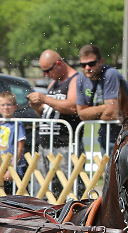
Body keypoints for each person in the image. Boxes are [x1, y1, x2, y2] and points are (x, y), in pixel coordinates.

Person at [27, 49, 81, 196]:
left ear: (58, 64)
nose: (46, 74)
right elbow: (47, 110)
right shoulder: (53, 83)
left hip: (64, 145)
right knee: (44, 192)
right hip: (46, 144)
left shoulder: (75, 79)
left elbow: (72, 106)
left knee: (66, 191)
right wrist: (38, 107)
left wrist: (44, 99)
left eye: (48, 70)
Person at [75, 43, 128, 156]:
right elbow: (82, 114)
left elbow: (112, 113)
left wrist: (91, 112)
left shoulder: (111, 74)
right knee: (108, 172)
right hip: (105, 135)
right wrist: (104, 108)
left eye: (91, 63)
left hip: (126, 134)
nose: (87, 68)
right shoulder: (81, 78)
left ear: (101, 61)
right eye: (83, 65)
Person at [0, 90, 27, 195]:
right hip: (1, 164)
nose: (6, 107)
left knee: (15, 194)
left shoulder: (18, 124)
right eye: (3, 105)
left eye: (9, 104)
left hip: (15, 164)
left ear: (15, 107)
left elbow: (20, 146)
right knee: (1, 193)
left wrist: (12, 168)